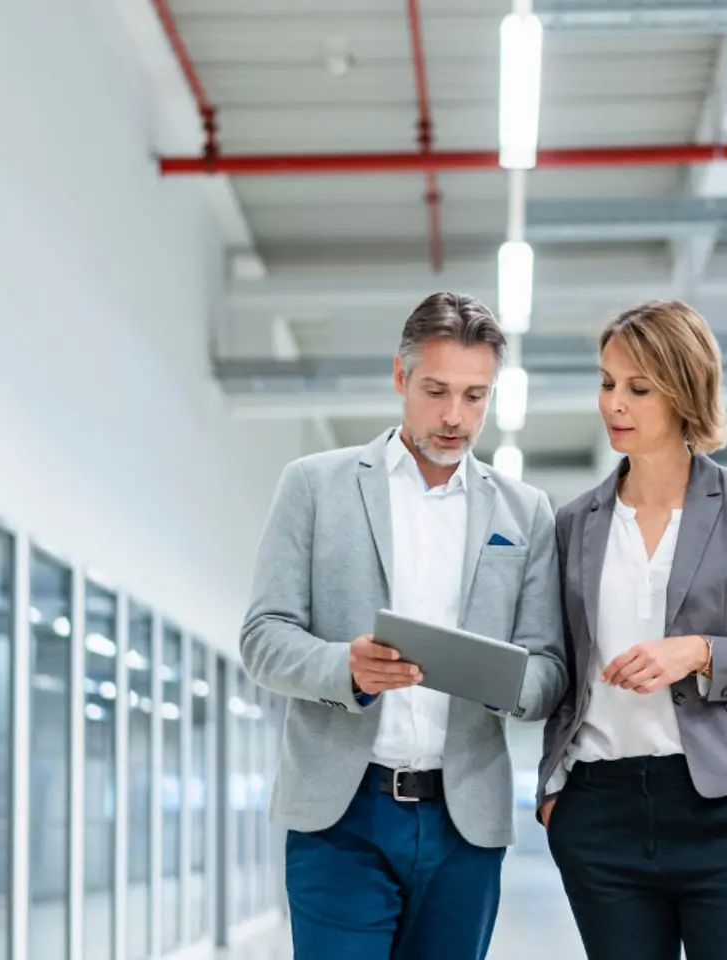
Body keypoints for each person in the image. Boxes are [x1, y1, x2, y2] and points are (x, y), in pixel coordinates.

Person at [241, 291, 569, 960]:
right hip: (342, 818)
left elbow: (549, 669)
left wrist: (505, 683)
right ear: (400, 377)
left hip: (463, 823)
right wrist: (345, 669)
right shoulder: (313, 486)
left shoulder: (525, 512)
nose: (455, 417)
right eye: (437, 390)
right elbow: (264, 636)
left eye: (476, 396)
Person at [536, 299, 727, 960]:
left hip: (722, 810)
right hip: (600, 811)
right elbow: (561, 667)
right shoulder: (574, 524)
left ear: (684, 393)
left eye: (639, 388)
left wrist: (701, 652)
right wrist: (554, 795)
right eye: (608, 383)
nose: (615, 403)